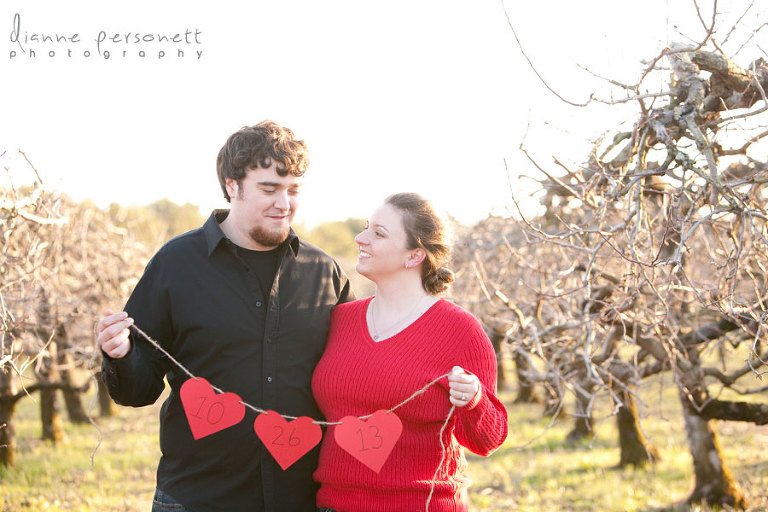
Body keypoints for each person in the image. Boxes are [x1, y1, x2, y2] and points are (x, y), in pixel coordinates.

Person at [96, 120, 354, 512]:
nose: (284, 203)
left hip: (301, 498)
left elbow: (352, 375)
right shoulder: (176, 264)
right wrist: (119, 355)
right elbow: (138, 391)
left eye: (293, 190)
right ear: (232, 186)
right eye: (269, 189)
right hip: (198, 497)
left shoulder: (324, 272)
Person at [312, 192, 508, 511]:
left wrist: (474, 400)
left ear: (414, 255)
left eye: (379, 233)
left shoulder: (459, 330)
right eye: (366, 228)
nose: (361, 239)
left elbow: (489, 440)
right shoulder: (339, 319)